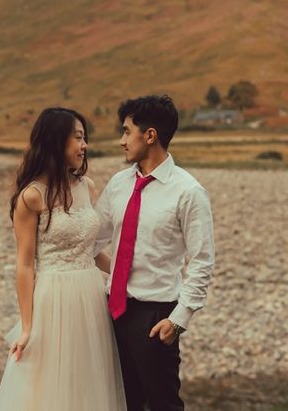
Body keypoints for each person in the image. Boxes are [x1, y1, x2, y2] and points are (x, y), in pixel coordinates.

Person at [0, 107, 126, 410]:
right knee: (52, 386)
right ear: (55, 140)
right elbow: (25, 265)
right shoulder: (32, 196)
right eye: (78, 137)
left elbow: (90, 249)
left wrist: (124, 274)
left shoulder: (86, 186)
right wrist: (27, 327)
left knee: (90, 381)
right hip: (54, 300)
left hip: (91, 297)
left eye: (84, 138)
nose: (84, 145)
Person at [94, 95, 216, 411]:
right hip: (112, 311)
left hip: (157, 316)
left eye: (126, 132)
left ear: (150, 136)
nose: (121, 141)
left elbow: (202, 260)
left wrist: (179, 319)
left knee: (162, 405)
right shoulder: (118, 183)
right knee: (123, 402)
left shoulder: (188, 192)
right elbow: (93, 240)